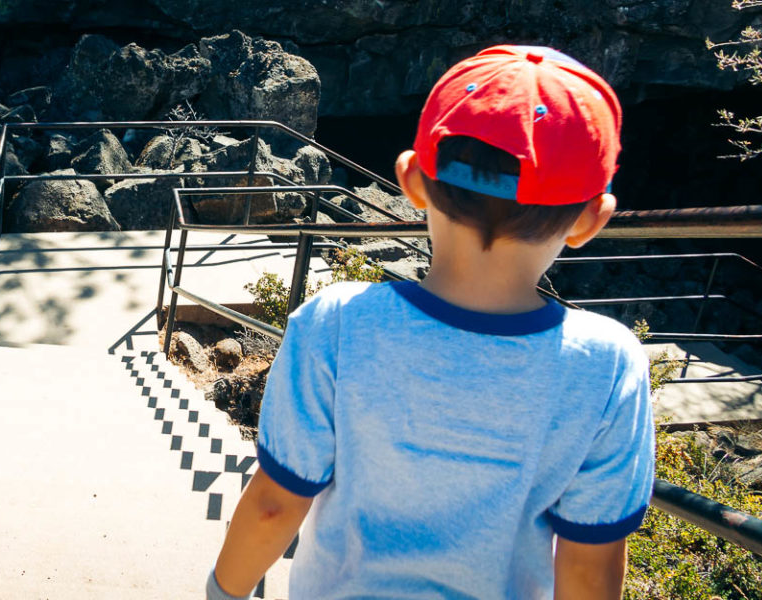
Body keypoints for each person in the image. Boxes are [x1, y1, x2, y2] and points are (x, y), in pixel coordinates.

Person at [207, 45, 655, 600]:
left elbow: (276, 504)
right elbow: (589, 568)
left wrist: (222, 592)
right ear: (592, 219)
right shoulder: (608, 364)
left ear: (412, 179)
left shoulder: (338, 324)